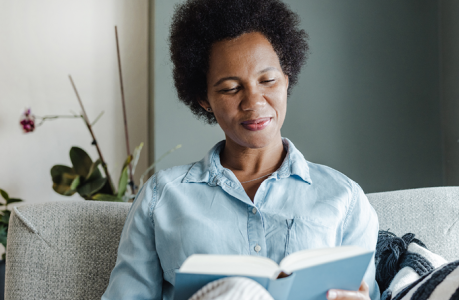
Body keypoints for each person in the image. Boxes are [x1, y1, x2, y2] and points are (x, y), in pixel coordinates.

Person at [101, 0, 380, 299]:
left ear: (286, 80)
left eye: (268, 80)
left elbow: (368, 293)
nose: (254, 102)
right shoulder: (162, 198)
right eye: (231, 88)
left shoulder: (344, 199)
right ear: (204, 99)